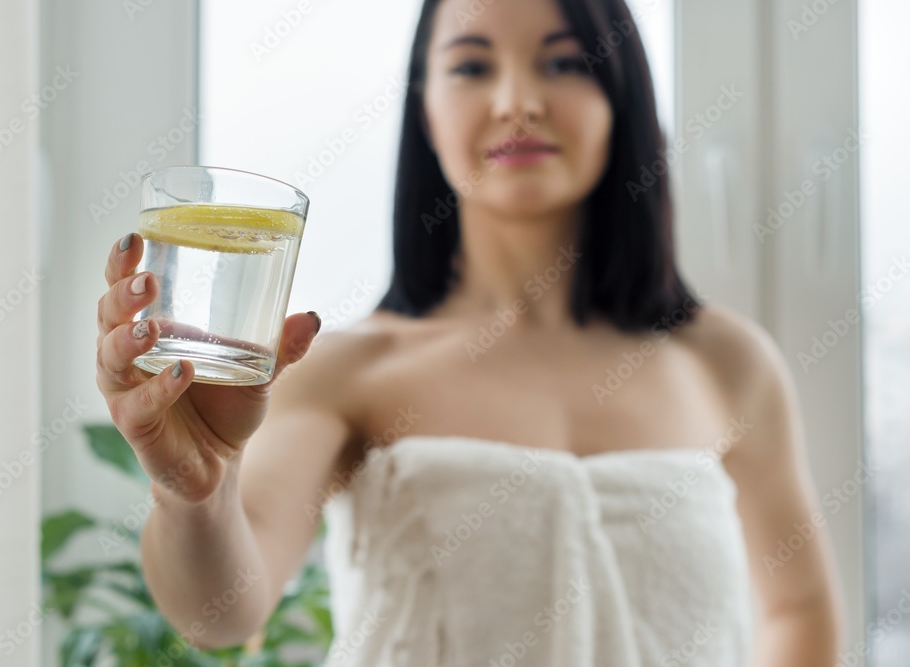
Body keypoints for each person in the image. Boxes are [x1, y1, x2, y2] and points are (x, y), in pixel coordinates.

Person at [95, 0, 845, 663]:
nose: (518, 101)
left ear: (619, 91)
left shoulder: (725, 362)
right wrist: (195, 492)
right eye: (473, 65)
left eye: (562, 61)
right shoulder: (352, 369)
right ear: (426, 109)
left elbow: (798, 608)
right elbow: (223, 612)